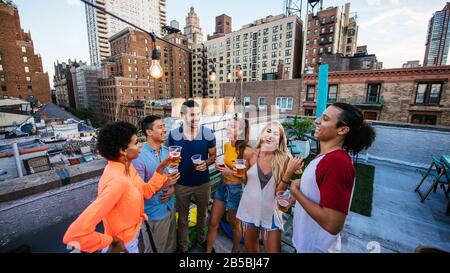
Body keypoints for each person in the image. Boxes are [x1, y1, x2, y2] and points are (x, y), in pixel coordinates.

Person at [63, 122, 175, 253]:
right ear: (123, 150)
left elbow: (147, 192)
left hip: (132, 239)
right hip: (122, 246)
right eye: (135, 143)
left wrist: (161, 168)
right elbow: (74, 235)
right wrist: (111, 241)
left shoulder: (127, 167)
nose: (139, 146)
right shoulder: (117, 181)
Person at [290, 103, 376, 253]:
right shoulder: (325, 156)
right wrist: (302, 184)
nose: (316, 121)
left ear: (342, 129)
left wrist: (295, 191)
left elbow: (332, 224)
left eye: (325, 119)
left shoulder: (337, 163)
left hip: (316, 248)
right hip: (305, 243)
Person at [236, 121, 303, 253]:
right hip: (249, 209)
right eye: (268, 131)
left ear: (280, 140)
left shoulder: (284, 159)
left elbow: (278, 193)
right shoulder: (250, 154)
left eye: (276, 134)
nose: (271, 136)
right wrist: (240, 175)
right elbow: (246, 182)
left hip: (271, 212)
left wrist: (289, 172)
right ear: (262, 134)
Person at [168, 100, 217, 253]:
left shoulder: (208, 133)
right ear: (183, 115)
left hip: (203, 183)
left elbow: (213, 155)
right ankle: (183, 247)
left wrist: (206, 163)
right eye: (191, 115)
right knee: (182, 219)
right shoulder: (174, 134)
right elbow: (170, 158)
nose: (195, 118)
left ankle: (200, 241)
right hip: (181, 184)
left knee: (203, 215)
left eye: (198, 114)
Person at [206, 117, 255, 253]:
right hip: (222, 187)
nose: (227, 128)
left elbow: (250, 181)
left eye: (231, 126)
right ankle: (208, 251)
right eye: (228, 125)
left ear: (240, 131)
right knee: (213, 222)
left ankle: (235, 250)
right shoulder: (227, 145)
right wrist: (220, 167)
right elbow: (227, 164)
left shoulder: (248, 152)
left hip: (235, 190)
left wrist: (235, 173)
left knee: (235, 225)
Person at [132, 115, 180, 253]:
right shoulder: (139, 157)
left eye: (164, 126)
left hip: (170, 207)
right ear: (149, 132)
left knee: (171, 245)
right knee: (156, 249)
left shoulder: (168, 152)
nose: (165, 130)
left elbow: (172, 177)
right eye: (160, 127)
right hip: (153, 214)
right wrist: (165, 184)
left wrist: (172, 187)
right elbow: (139, 191)